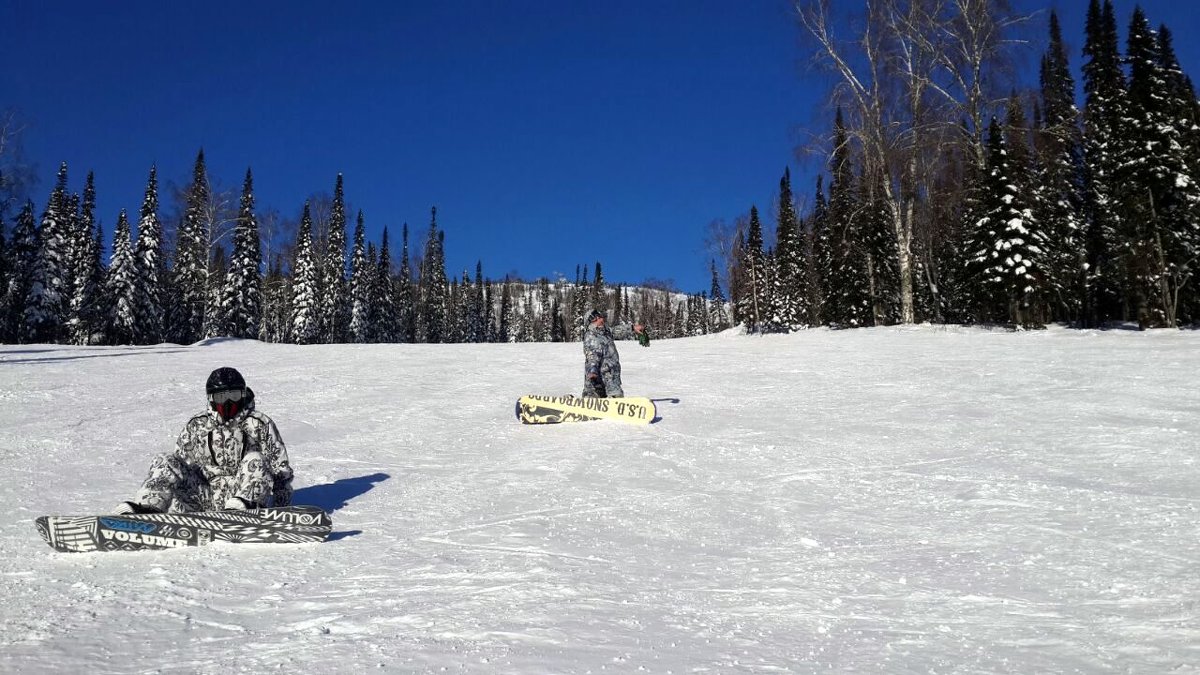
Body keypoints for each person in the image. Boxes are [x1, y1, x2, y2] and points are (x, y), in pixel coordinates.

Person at [114, 367, 294, 514]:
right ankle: (147, 509)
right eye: (221, 397)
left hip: (242, 497)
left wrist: (280, 509)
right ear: (211, 398)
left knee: (256, 459)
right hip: (203, 497)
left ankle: (243, 510)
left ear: (243, 394)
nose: (229, 402)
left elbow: (280, 470)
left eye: (235, 396)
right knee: (165, 460)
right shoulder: (197, 425)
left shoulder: (259, 423)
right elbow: (179, 466)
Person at [582, 309, 647, 398]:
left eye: (600, 316)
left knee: (616, 399)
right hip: (598, 378)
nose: (601, 318)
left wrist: (633, 328)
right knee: (595, 400)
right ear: (592, 321)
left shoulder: (605, 331)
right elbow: (592, 355)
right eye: (597, 317)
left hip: (611, 376)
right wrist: (592, 370)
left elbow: (617, 330)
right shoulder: (592, 336)